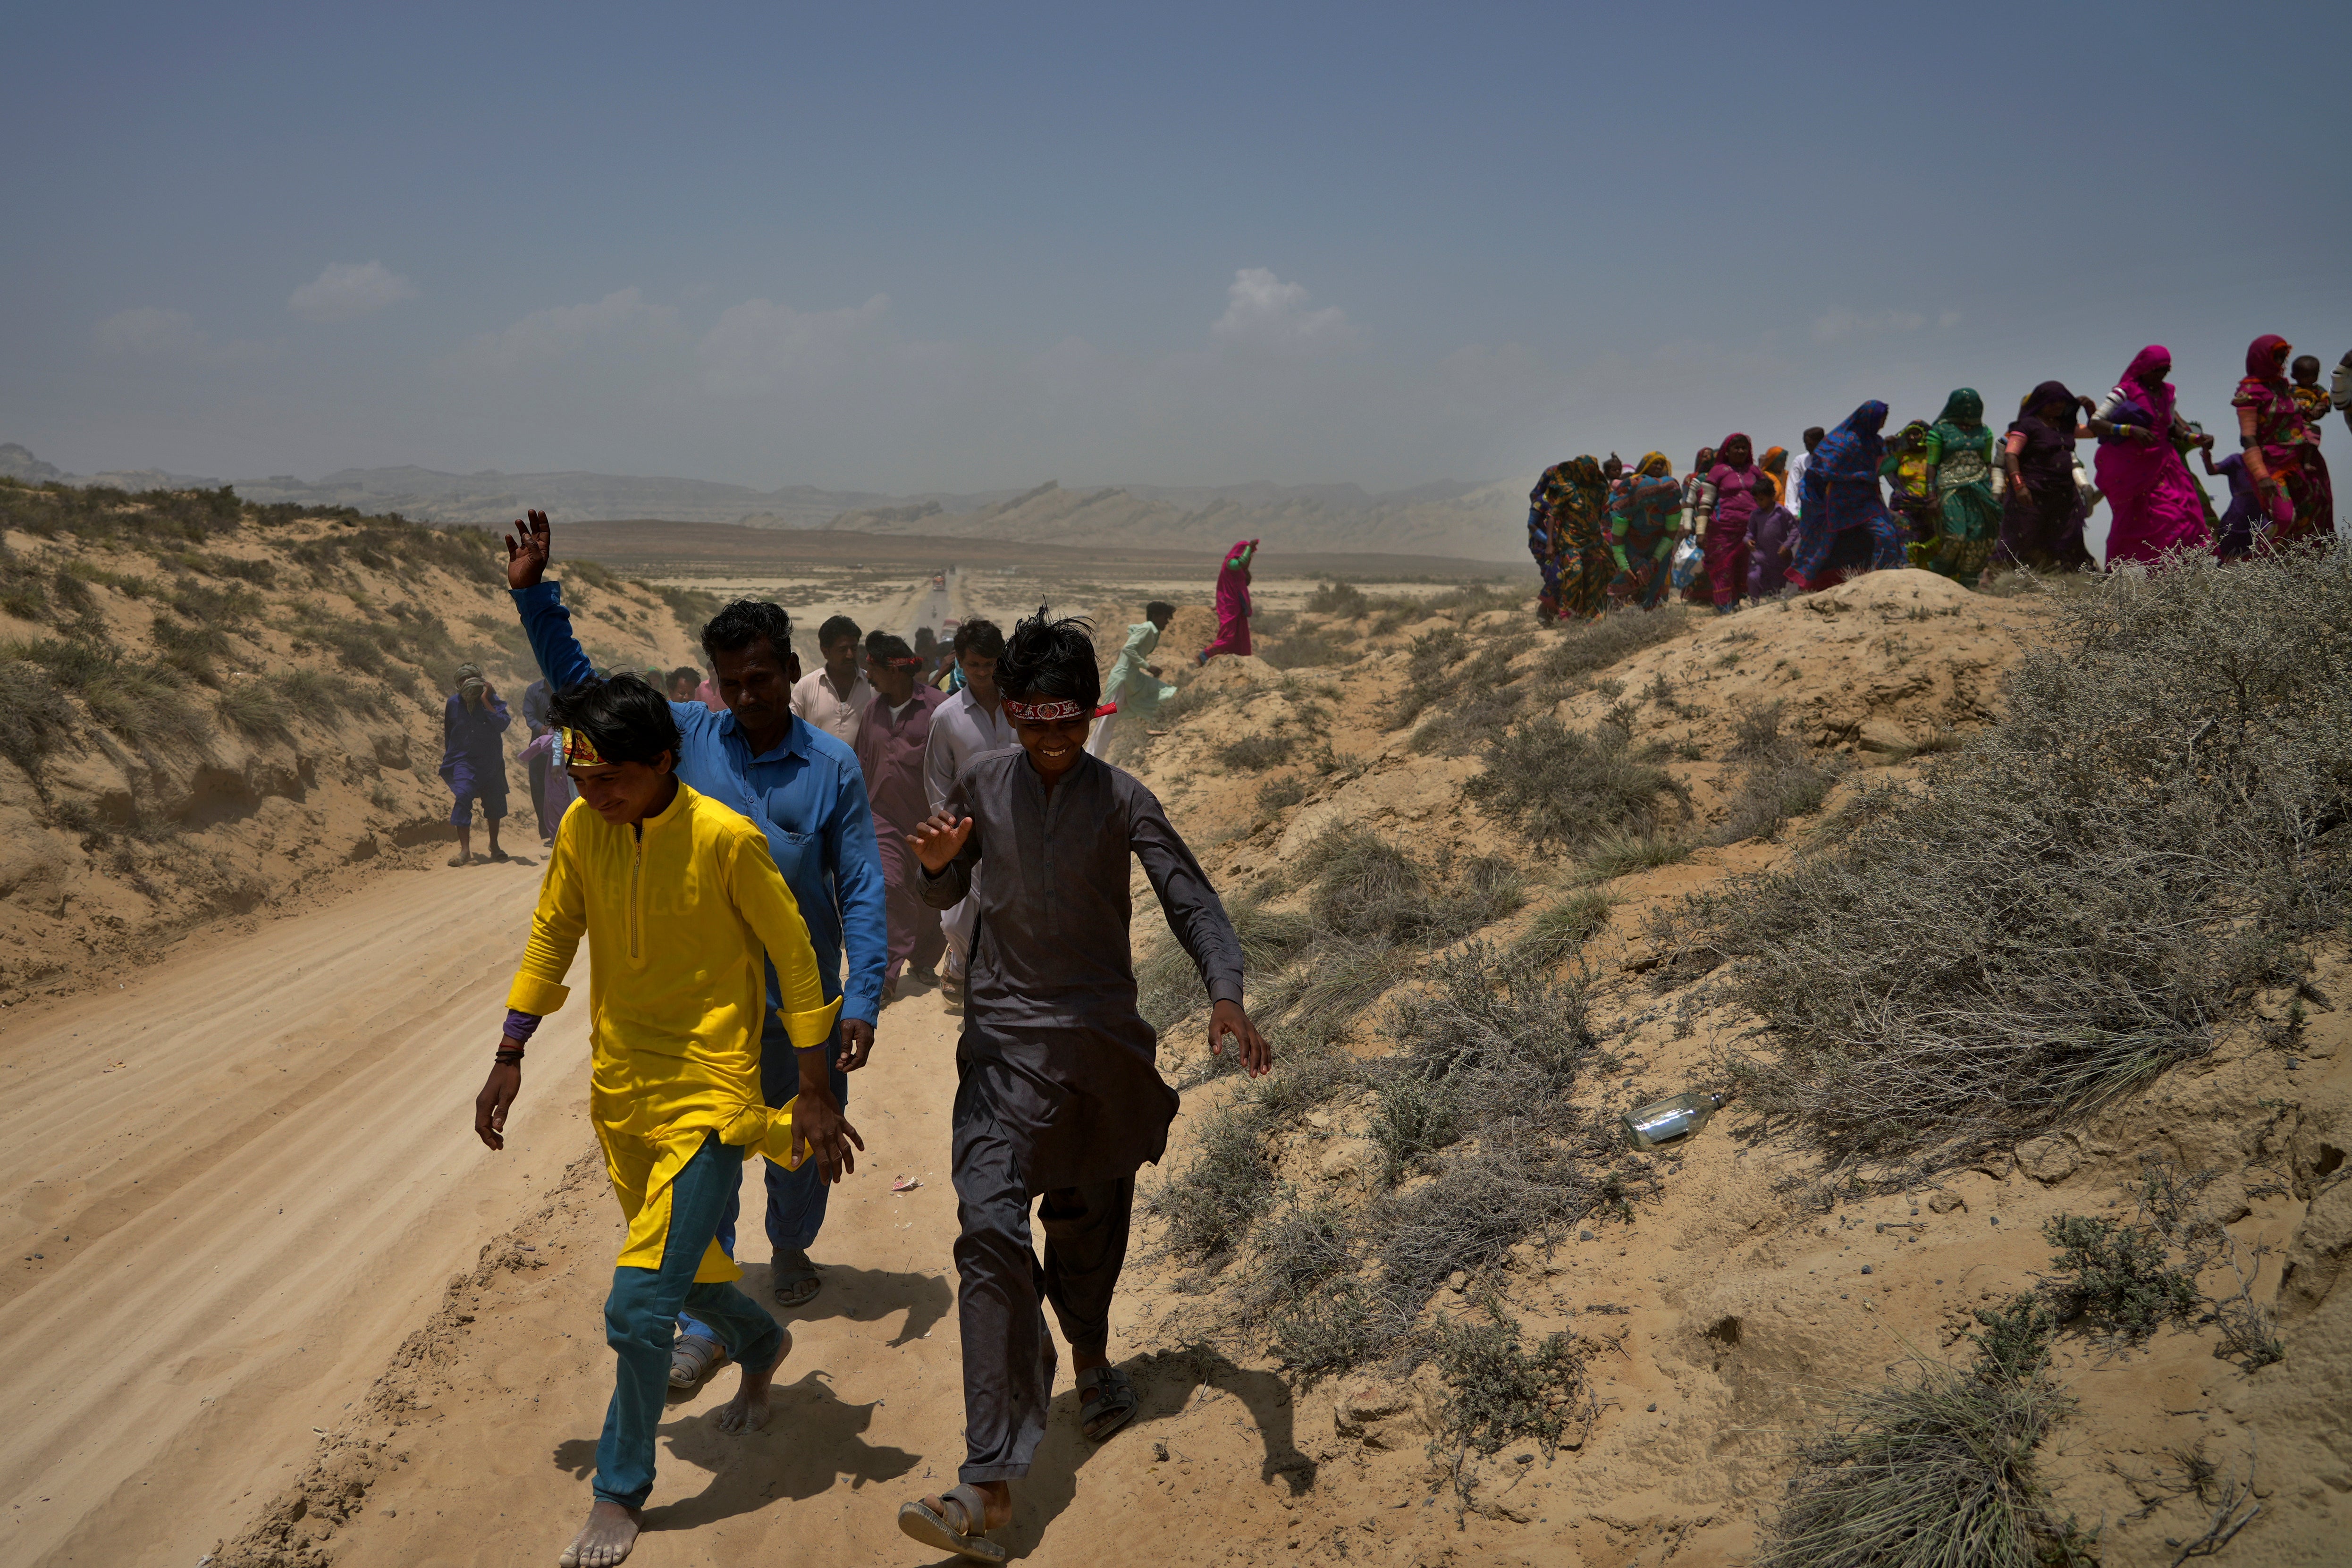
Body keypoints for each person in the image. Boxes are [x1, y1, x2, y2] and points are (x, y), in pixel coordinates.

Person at [896, 607, 1267, 1564]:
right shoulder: (981, 782)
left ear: (1089, 711)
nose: (1055, 740)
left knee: (1084, 1229)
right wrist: (938, 872)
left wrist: (1224, 994)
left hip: (1099, 1055)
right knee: (986, 1230)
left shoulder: (1123, 797)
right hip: (1000, 1052)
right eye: (1036, 721)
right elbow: (944, 887)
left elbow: (1192, 898)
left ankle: (1091, 1355)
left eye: (1071, 720)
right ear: (1012, 710)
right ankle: (987, 1477)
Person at [472, 674, 851, 1568]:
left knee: (638, 1306)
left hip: (708, 1104)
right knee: (682, 1272)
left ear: (663, 763)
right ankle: (760, 1341)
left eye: (613, 780)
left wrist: (812, 1083)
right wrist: (511, 1047)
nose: (594, 796)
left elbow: (796, 957)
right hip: (622, 1098)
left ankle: (620, 1487)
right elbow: (552, 932)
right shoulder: (581, 828)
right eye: (581, 779)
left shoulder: (726, 839)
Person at [504, 511, 882, 1324]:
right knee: (702, 1157)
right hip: (705, 1009)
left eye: (761, 679)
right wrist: (537, 601)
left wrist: (863, 995)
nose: (747, 697)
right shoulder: (685, 734)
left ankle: (789, 1245)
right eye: (731, 682)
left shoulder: (833, 768)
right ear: (713, 680)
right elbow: (589, 696)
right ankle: (710, 1291)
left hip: (798, 1006)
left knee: (801, 1141)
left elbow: (860, 886)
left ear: (788, 668)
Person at [926, 618, 1016, 1001]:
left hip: (1019, 830)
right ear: (960, 663)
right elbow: (936, 780)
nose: (983, 673)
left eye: (990, 663)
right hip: (967, 833)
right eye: (974, 665)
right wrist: (948, 833)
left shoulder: (1022, 706)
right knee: (956, 920)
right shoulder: (947, 717)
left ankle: (996, 990)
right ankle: (961, 961)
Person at [857, 632, 948, 999]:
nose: (869, 676)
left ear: (893, 670)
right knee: (890, 887)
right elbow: (863, 761)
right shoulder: (872, 710)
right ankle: (886, 976)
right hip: (882, 819)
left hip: (929, 820)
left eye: (873, 668)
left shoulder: (938, 709)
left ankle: (923, 958)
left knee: (929, 894)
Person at [2090, 345, 2213, 567]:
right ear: (2144, 368)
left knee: (2183, 513)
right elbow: (2096, 422)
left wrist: (2195, 439)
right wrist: (2130, 430)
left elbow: (2170, 427)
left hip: (2165, 464)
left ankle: (2172, 572)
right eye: (2157, 370)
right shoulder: (2125, 391)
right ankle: (2121, 572)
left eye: (2166, 370)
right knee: (2135, 520)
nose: (2161, 375)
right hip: (2131, 468)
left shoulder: (2169, 393)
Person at [1793, 402, 1906, 592]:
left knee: (1886, 535)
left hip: (1868, 501)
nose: (1883, 424)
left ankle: (1884, 581)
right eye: (1880, 420)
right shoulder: (1840, 441)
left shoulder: (1875, 442)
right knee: (1824, 546)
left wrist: (1891, 450)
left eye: (1885, 420)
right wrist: (1857, 475)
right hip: (1840, 502)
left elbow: (1885, 466)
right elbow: (1822, 468)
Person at [2233, 334, 2333, 544]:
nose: (2280, 364)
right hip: (2271, 467)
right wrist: (2261, 476)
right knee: (2284, 518)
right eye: (2275, 358)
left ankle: (2299, 572)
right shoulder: (2250, 393)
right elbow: (2248, 438)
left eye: (2283, 357)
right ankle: (2253, 567)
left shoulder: (2283, 387)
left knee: (2313, 515)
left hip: (2300, 462)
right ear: (2261, 359)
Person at [1998, 381, 2097, 572]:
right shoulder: (2028, 425)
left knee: (2068, 535)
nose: (2057, 408)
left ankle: (2069, 578)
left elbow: (2094, 432)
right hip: (2033, 493)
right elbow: (2011, 454)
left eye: (2061, 404)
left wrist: (2090, 408)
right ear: (2041, 403)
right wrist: (2020, 486)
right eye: (2052, 404)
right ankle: (2009, 577)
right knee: (2026, 534)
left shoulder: (2066, 427)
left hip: (2063, 494)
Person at [1918, 389, 2003, 590]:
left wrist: (1995, 489)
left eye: (1972, 404)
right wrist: (1931, 496)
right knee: (1956, 537)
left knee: (1980, 538)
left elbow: (1986, 462)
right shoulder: (1939, 431)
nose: (1968, 409)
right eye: (1964, 404)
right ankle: (1935, 575)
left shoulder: (1985, 432)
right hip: (1949, 489)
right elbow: (1932, 465)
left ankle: (1969, 582)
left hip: (1980, 489)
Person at [439, 662, 511, 867]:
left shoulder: (491, 699)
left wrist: (485, 700)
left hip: (491, 761)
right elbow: (449, 732)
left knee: (494, 804)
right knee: (462, 796)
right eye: (462, 680)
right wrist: (450, 758)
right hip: (463, 760)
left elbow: (502, 724)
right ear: (457, 684)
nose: (466, 683)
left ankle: (494, 846)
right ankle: (465, 851)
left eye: (470, 679)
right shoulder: (453, 703)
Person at [1527, 458, 1613, 623]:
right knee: (1571, 573)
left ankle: (1591, 614)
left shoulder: (1599, 490)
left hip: (1592, 542)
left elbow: (1605, 514)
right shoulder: (1557, 495)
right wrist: (1550, 543)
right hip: (1565, 543)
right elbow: (1540, 521)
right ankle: (1562, 613)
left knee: (1598, 574)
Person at [1086, 602, 1175, 759]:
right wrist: (1148, 666)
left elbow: (1132, 630)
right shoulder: (1147, 628)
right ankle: (1092, 756)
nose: (1167, 622)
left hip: (1133, 680)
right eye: (1165, 618)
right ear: (1155, 616)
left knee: (1166, 692)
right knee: (1107, 719)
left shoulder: (1152, 631)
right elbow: (1128, 648)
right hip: (1123, 679)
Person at [1695, 435, 1767, 612]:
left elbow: (1768, 497)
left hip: (1751, 529)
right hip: (1723, 530)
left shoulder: (1755, 471)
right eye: (1737, 448)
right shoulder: (1718, 471)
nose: (1741, 451)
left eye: (1745, 448)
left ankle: (1745, 605)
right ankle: (1726, 607)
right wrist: (1701, 532)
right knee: (1723, 567)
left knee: (1747, 566)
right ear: (1727, 451)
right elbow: (1706, 503)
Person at [1606, 453, 1684, 609]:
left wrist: (1656, 559)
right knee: (1627, 583)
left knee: (1655, 584)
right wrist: (1624, 566)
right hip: (1631, 548)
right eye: (1655, 463)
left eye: (1662, 464)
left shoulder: (1670, 493)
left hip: (1659, 547)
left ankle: (1649, 614)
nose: (1658, 467)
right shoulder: (1628, 495)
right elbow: (1618, 536)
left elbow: (1670, 534)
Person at [792, 614, 874, 745]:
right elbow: (791, 731)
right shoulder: (806, 687)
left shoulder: (873, 687)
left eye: (854, 648)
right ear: (825, 652)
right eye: (842, 650)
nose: (850, 655)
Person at [1880, 420, 1940, 558]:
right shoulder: (1901, 457)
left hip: (1930, 507)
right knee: (1905, 538)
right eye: (1909, 434)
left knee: (1932, 545)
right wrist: (1884, 447)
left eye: (1916, 434)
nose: (1912, 438)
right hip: (1904, 506)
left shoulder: (1934, 456)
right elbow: (1880, 469)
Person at [1196, 539, 1257, 664]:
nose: (1250, 559)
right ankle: (1204, 656)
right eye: (1249, 556)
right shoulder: (1231, 563)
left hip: (1237, 607)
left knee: (1241, 638)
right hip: (1229, 607)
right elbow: (1240, 563)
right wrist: (1249, 547)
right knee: (1228, 637)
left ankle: (1239, 663)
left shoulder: (1239, 569)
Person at [2202, 442, 2263, 561]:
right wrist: (2206, 454)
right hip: (2239, 510)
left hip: (2261, 509)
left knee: (2259, 544)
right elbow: (2212, 470)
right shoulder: (2237, 460)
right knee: (2230, 540)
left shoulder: (2268, 461)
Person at [1745, 474, 1796, 599]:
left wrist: (1787, 545)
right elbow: (1749, 532)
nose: (1759, 503)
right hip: (1760, 556)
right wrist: (1747, 541)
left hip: (1779, 557)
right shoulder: (1755, 515)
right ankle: (1754, 605)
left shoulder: (1782, 512)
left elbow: (1794, 530)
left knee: (1777, 588)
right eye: (1756, 500)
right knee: (1753, 577)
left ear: (1772, 496)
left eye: (1761, 499)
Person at [522, 676, 556, 839]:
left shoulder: (563, 689)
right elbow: (529, 716)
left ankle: (561, 829)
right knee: (539, 790)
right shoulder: (533, 691)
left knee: (560, 790)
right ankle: (548, 833)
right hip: (539, 748)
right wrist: (539, 727)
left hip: (560, 748)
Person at [1784, 427, 1826, 517]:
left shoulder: (1830, 461)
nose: (1807, 448)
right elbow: (1793, 486)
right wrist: (1793, 512)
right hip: (1805, 512)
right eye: (1805, 444)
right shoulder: (1800, 461)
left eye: (1810, 444)